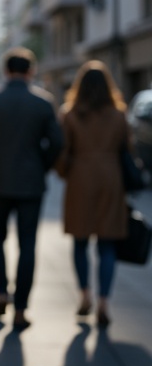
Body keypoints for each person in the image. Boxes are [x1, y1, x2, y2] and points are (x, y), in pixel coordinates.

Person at [0, 48, 63, 330]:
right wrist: (42, 165)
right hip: (31, 183)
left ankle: (1, 291)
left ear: (6, 70)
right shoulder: (43, 103)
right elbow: (58, 143)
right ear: (31, 71)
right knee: (27, 246)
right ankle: (21, 308)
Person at [55, 61, 131, 328]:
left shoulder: (71, 113)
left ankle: (84, 293)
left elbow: (62, 152)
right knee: (107, 245)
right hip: (111, 180)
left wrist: (64, 172)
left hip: (80, 179)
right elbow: (127, 150)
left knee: (79, 242)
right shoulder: (119, 114)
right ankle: (104, 302)